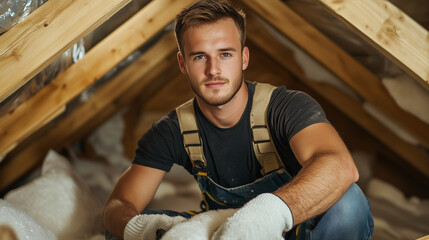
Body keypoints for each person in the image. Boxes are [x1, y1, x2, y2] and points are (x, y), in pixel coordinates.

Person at [103, 0, 374, 239]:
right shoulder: (172, 131)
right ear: (183, 64)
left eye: (225, 54)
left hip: (298, 230)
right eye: (200, 57)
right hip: (225, 233)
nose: (213, 70)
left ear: (243, 58)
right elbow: (120, 203)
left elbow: (340, 166)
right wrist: (146, 228)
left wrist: (267, 215)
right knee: (124, 229)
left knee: (349, 203)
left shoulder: (285, 107)